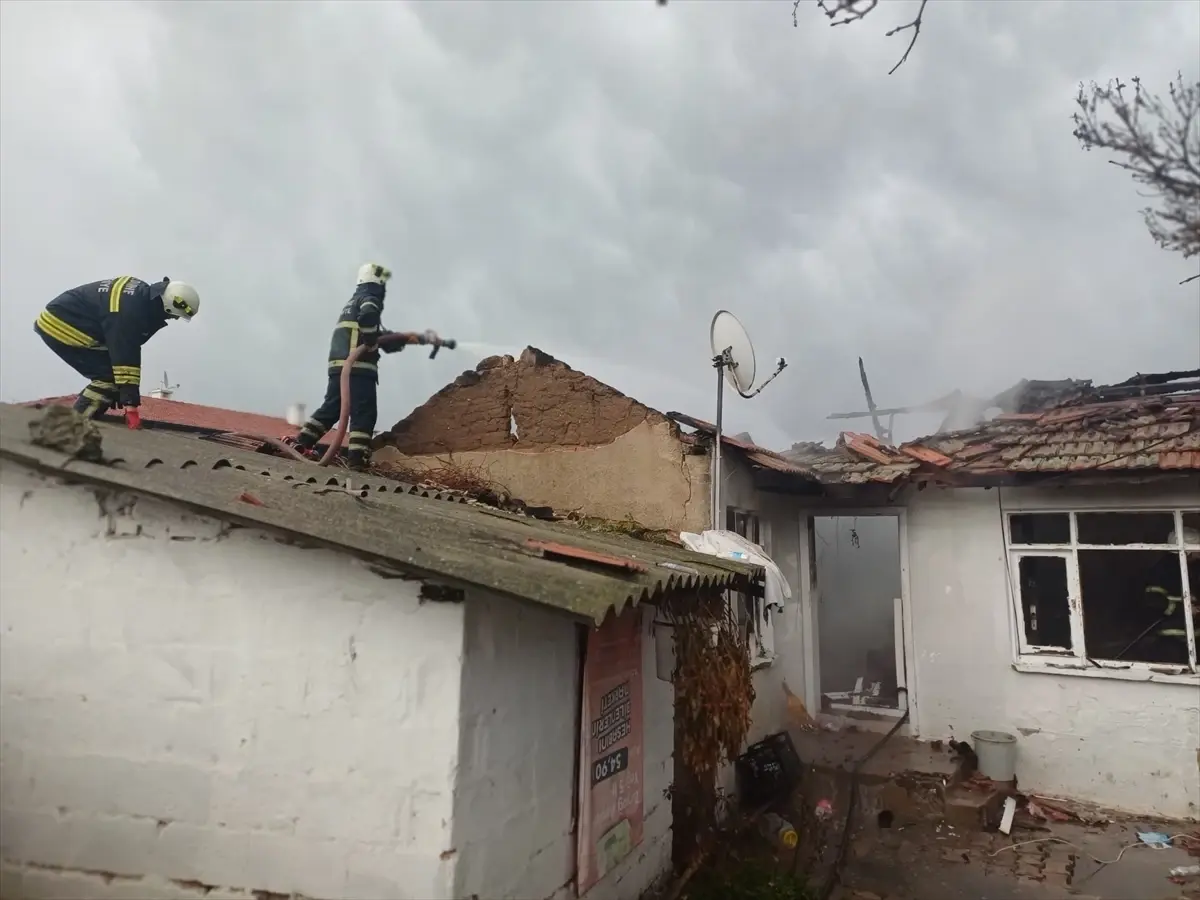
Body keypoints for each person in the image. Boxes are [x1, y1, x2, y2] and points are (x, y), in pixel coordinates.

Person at [292, 263, 438, 469]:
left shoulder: (352, 302)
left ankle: (301, 443)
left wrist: (421, 338)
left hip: (339, 367)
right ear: (376, 281)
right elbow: (370, 320)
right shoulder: (370, 298)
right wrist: (370, 339)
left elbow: (384, 338)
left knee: (331, 409)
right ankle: (357, 460)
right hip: (357, 368)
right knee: (364, 412)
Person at [34, 276, 200, 428]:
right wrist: (131, 405)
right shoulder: (130, 311)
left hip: (68, 320)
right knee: (107, 380)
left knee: (111, 382)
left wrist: (120, 392)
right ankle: (69, 429)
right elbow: (126, 357)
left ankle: (77, 419)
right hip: (61, 325)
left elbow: (122, 349)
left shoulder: (138, 297)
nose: (174, 319)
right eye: (175, 315)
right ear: (171, 305)